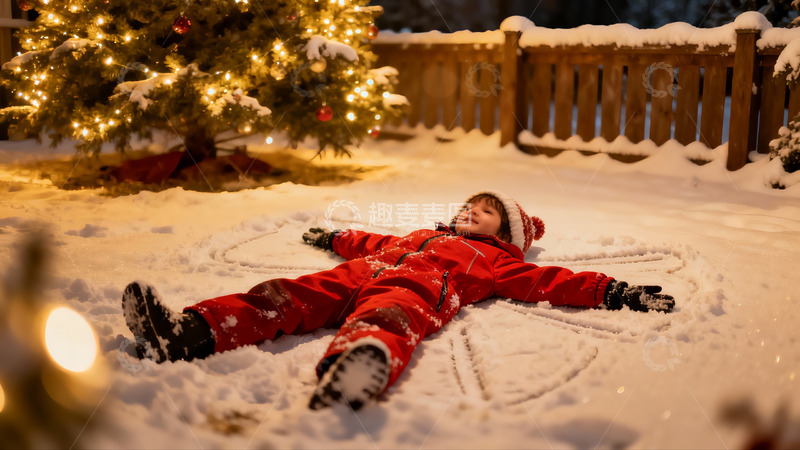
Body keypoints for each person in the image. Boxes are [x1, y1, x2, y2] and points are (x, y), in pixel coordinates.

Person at [122, 191, 674, 411]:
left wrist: (614, 290)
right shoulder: (418, 235)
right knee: (283, 295)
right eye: (466, 207)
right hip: (362, 269)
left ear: (506, 233)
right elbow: (370, 241)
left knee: (388, 316)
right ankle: (189, 330)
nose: (468, 214)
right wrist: (334, 240)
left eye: (483, 212)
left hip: (413, 288)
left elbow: (555, 280)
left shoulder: (499, 261)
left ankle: (354, 369)